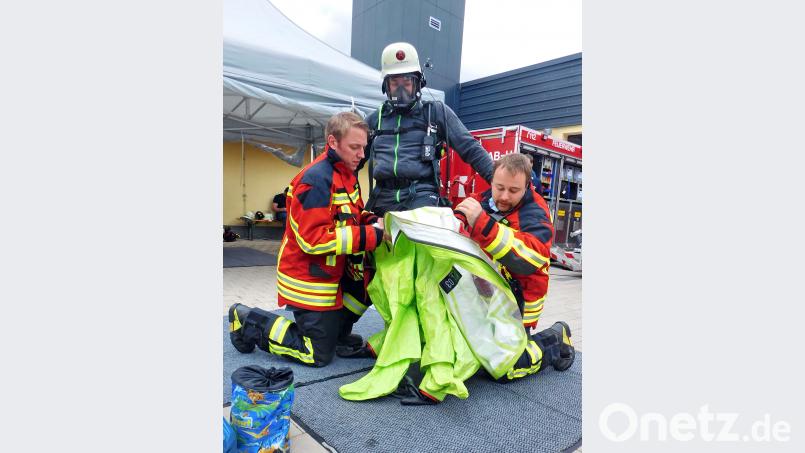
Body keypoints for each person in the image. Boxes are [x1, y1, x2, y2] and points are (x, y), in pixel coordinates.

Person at [228, 112, 385, 367]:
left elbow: (351, 215)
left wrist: (371, 221)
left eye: (363, 148)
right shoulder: (315, 180)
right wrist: (371, 236)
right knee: (316, 355)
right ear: (333, 143)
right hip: (309, 278)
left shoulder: (347, 172)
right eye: (354, 147)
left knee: (366, 284)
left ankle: (336, 334)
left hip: (332, 273)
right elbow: (313, 241)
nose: (361, 154)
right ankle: (246, 320)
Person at [454, 153, 575, 382]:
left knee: (506, 369)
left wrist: (483, 224)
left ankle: (556, 338)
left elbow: (530, 259)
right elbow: (460, 217)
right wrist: (458, 217)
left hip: (519, 302)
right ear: (492, 181)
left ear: (527, 186)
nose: (503, 196)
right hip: (487, 298)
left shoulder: (536, 213)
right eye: (499, 187)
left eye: (513, 190)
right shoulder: (482, 199)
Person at [363, 42, 494, 216]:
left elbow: (470, 148)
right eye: (394, 82)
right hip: (382, 197)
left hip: (421, 195)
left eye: (407, 81)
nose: (401, 89)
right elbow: (349, 158)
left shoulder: (435, 112)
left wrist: (500, 183)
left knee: (420, 239)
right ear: (386, 86)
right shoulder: (375, 119)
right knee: (377, 241)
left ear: (419, 83)